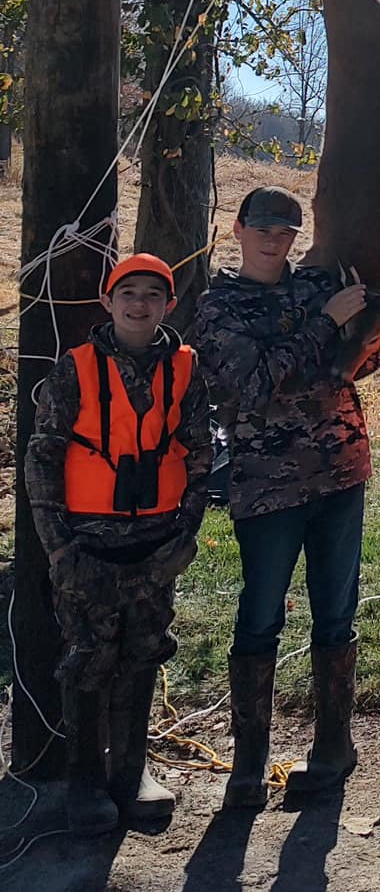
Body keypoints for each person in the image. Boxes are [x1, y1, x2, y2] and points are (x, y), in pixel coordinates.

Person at [193, 186, 380, 808]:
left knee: (336, 615)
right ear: (239, 230)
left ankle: (333, 748)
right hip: (268, 486)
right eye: (264, 228)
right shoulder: (219, 308)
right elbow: (252, 383)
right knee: (261, 617)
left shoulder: (314, 289)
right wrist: (330, 321)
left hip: (341, 475)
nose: (275, 239)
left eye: (287, 230)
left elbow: (347, 370)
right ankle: (248, 765)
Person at [26, 254, 213, 835]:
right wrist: (60, 550)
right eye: (127, 292)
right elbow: (42, 461)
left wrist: (187, 534)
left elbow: (202, 454)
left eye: (152, 295)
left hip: (156, 546)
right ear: (107, 303)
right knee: (88, 658)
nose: (139, 304)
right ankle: (85, 781)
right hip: (87, 547)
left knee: (144, 651)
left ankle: (132, 771)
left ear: (169, 305)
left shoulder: (185, 368)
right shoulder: (73, 370)